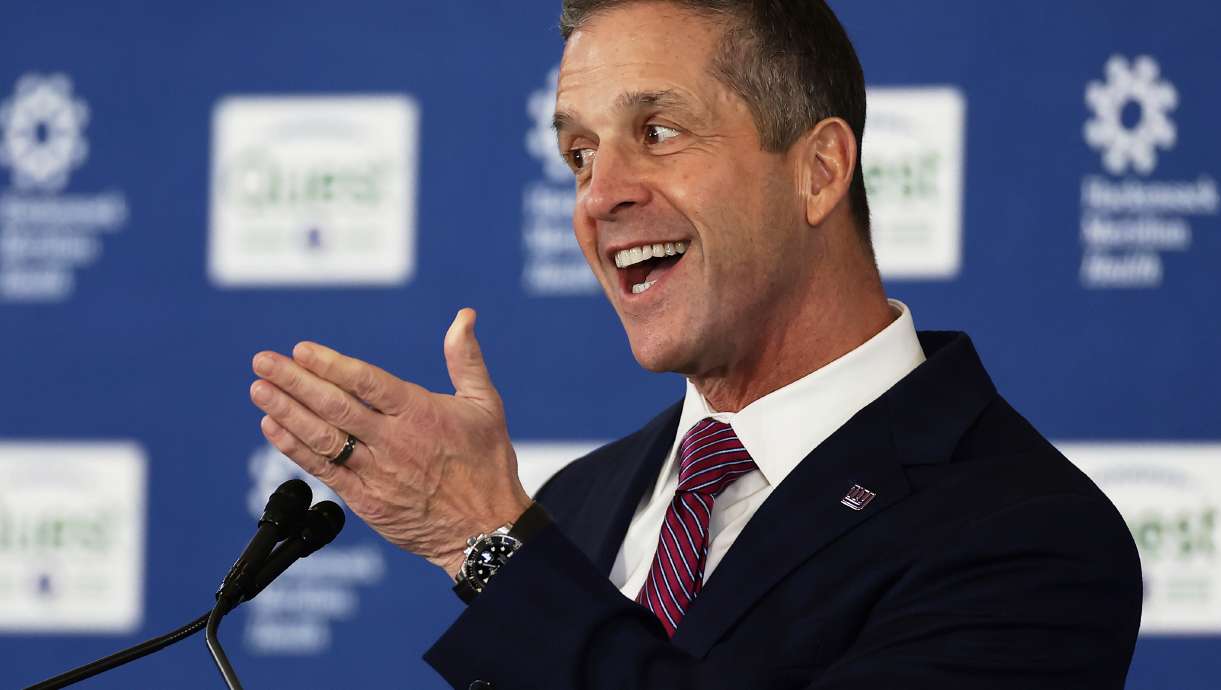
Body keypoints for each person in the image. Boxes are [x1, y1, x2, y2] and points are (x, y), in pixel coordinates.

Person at [248, 1, 1143, 688]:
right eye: (579, 155)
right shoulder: (582, 500)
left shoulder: (1029, 536)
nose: (599, 197)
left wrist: (483, 542)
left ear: (820, 170)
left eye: (658, 132)